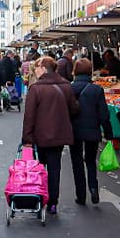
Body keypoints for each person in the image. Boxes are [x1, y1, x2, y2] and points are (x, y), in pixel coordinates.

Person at [21, 55, 79, 215]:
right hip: (59, 135)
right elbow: (74, 109)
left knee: (39, 168)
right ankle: (53, 202)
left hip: (40, 136)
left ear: (44, 68)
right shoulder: (66, 85)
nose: (35, 70)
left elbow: (29, 116)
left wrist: (27, 138)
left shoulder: (36, 89)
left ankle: (39, 197)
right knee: (55, 168)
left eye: (38, 67)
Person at [69, 58, 114, 206]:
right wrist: (108, 133)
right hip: (92, 130)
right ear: (89, 72)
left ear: (75, 71)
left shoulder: (69, 88)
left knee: (76, 162)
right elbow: (103, 114)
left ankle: (80, 195)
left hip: (74, 131)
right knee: (90, 160)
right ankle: (93, 188)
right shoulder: (97, 90)